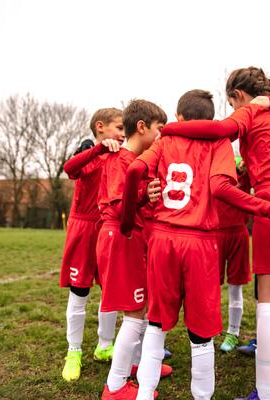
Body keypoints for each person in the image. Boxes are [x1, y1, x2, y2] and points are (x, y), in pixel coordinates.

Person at [160, 67, 270, 400]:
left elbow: (220, 130)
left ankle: (266, 393)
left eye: (232, 104)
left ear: (238, 96)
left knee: (269, 304)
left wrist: (170, 129)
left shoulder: (252, 111)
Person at [120, 89, 270, 400]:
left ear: (179, 118)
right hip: (200, 242)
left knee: (156, 326)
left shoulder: (165, 140)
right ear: (211, 120)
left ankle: (144, 394)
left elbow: (134, 169)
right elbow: (220, 186)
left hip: (163, 239)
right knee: (201, 335)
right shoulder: (219, 142)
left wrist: (129, 213)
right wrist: (266, 207)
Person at [96, 100, 171, 400]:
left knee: (139, 310)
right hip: (120, 238)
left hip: (130, 238)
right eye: (159, 130)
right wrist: (143, 196)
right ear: (142, 127)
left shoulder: (135, 160)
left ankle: (137, 369)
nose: (162, 136)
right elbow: (119, 205)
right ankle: (114, 387)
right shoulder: (120, 160)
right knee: (135, 314)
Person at [60, 108, 124, 382]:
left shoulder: (121, 154)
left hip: (109, 230)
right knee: (80, 292)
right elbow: (70, 168)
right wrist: (97, 149)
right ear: (101, 127)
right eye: (119, 127)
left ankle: (104, 345)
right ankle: (73, 352)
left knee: (110, 291)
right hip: (84, 229)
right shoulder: (88, 151)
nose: (123, 133)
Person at [217, 155, 252, 353]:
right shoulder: (213, 163)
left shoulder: (242, 162)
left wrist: (242, 168)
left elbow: (248, 171)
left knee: (235, 286)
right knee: (211, 286)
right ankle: (208, 329)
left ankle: (233, 332)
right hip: (215, 233)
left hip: (238, 233)